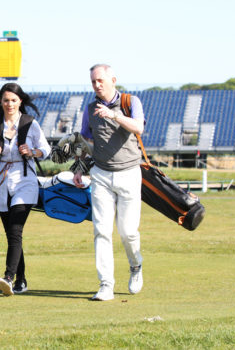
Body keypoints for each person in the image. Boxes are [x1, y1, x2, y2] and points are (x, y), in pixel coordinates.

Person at [73, 64, 145, 301]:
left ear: (113, 79)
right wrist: (80, 168)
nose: (97, 85)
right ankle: (106, 284)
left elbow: (139, 127)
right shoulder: (90, 108)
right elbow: (85, 140)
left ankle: (135, 266)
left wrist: (114, 115)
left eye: (101, 80)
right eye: (93, 81)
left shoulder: (129, 101)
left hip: (129, 173)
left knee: (128, 232)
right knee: (101, 230)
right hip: (101, 175)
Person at [0, 83, 51, 296]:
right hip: (0, 180)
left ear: (20, 102)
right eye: (6, 100)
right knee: (12, 234)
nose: (10, 104)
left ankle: (8, 277)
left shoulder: (30, 123)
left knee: (16, 229)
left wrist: (32, 150)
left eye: (14, 100)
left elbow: (46, 149)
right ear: (1, 102)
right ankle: (22, 280)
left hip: (25, 179)